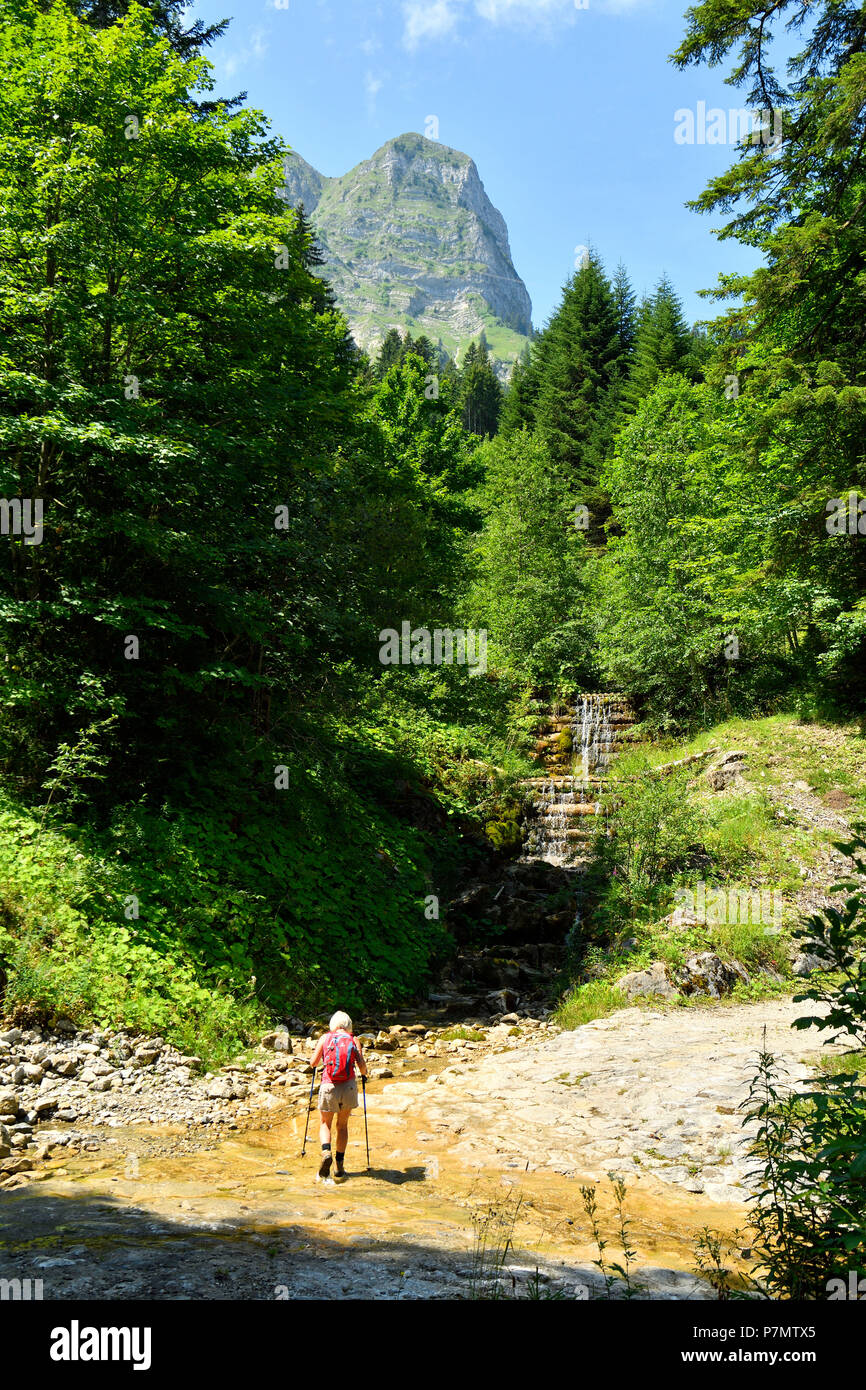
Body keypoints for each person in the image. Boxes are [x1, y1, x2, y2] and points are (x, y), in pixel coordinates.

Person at [310, 1011, 368, 1181]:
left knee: (325, 1123)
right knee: (342, 1126)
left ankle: (326, 1152)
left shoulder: (325, 1038)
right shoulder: (353, 1040)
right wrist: (364, 1075)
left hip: (329, 1086)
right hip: (348, 1088)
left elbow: (313, 1062)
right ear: (349, 1025)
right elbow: (362, 1067)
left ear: (332, 1024)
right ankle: (339, 1167)